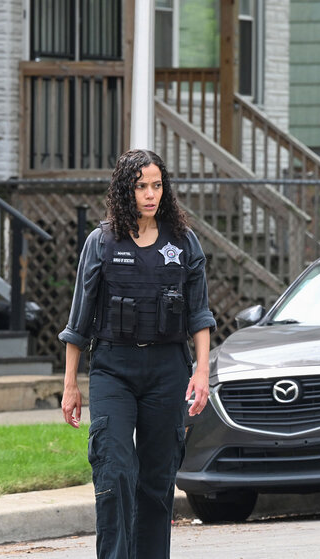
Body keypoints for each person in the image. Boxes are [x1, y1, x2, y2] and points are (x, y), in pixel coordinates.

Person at [59, 148, 216, 559]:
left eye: (157, 185)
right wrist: (70, 385)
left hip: (167, 369)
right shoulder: (102, 242)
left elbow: (199, 314)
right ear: (124, 190)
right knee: (114, 472)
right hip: (114, 368)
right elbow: (79, 320)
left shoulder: (183, 243)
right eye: (141, 186)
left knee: (156, 481)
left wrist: (201, 372)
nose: (150, 194)